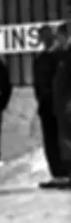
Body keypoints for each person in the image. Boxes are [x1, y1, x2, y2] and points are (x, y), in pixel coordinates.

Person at [35, 24, 71, 188]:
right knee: (52, 140)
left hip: (62, 104)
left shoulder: (62, 56)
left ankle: (65, 173)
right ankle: (58, 174)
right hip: (48, 104)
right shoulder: (42, 57)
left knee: (63, 139)